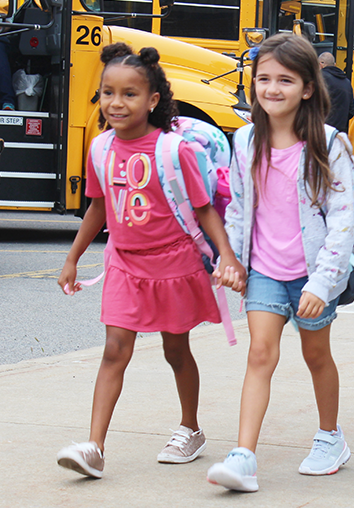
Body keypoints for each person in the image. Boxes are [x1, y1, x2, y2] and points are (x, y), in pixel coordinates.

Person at [55, 43, 241, 478]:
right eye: (107, 93)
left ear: (153, 100)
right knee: (114, 350)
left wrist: (227, 256)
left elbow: (203, 209)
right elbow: (98, 208)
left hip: (174, 265)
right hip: (124, 265)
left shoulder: (175, 151)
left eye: (129, 94)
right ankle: (94, 447)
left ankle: (190, 428)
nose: (116, 103)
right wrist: (73, 258)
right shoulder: (100, 148)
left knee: (176, 350)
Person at [206, 33, 354, 493]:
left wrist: (322, 283)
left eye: (285, 80)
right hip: (265, 271)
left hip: (312, 276)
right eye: (264, 79)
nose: (272, 89)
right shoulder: (245, 139)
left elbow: (342, 222)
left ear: (308, 88)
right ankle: (243, 455)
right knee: (259, 354)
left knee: (316, 356)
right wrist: (228, 257)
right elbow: (236, 208)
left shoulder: (330, 144)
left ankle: (331, 437)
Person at [318, 52, 354, 133]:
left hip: (320, 131)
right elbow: (351, 109)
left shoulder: (319, 78)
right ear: (334, 64)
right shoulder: (346, 82)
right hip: (338, 134)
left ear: (320, 64)